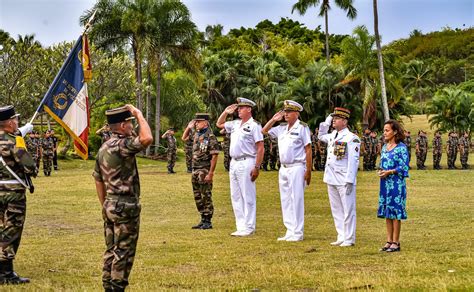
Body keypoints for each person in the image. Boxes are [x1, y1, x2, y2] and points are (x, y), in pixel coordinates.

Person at [92, 104, 153, 291]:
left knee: (111, 249)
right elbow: (147, 138)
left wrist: (105, 204)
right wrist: (139, 114)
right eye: (129, 122)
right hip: (125, 205)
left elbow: (98, 179)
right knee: (124, 251)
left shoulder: (104, 147)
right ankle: (117, 287)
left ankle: (107, 286)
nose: (131, 126)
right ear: (121, 125)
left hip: (110, 204)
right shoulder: (121, 145)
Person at [262, 100, 311, 242]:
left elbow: (308, 149)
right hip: (283, 168)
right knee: (286, 200)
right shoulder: (281, 128)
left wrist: (308, 170)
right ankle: (289, 230)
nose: (286, 114)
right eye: (285, 112)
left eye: (289, 112)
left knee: (296, 199)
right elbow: (264, 131)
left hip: (297, 167)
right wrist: (273, 119)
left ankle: (298, 232)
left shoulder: (302, 128)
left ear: (296, 113)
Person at [0, 105, 37, 284]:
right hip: (13, 193)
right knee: (12, 230)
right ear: (8, 123)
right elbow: (30, 167)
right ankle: (6, 273)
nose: (17, 122)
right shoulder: (15, 141)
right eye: (15, 119)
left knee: (1, 229)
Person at [217, 98, 264, 237]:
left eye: (241, 108)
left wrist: (257, 166)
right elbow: (219, 124)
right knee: (235, 195)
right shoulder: (235, 124)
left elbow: (260, 147)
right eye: (238, 108)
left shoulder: (254, 125)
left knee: (247, 195)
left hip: (247, 160)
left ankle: (249, 226)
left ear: (249, 109)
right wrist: (226, 112)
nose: (238, 110)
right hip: (234, 162)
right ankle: (241, 225)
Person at [318, 107, 360, 247]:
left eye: (336, 118)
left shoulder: (351, 138)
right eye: (333, 118)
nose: (334, 120)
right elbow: (320, 135)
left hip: (343, 179)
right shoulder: (332, 135)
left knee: (348, 209)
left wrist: (350, 180)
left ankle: (349, 238)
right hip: (331, 177)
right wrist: (328, 119)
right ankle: (341, 235)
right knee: (336, 208)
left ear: (344, 121)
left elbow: (353, 161)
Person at [182, 113, 220, 230]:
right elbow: (184, 138)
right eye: (196, 122)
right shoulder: (196, 134)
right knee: (197, 195)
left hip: (204, 169)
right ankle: (202, 218)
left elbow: (214, 156)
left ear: (206, 123)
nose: (196, 123)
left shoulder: (211, 137)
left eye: (199, 121)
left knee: (206, 195)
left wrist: (211, 173)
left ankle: (208, 220)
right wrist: (189, 127)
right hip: (195, 169)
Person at [377, 120, 409, 253]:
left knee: (395, 212)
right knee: (387, 211)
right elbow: (383, 163)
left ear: (395, 132)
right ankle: (389, 240)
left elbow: (404, 166)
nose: (384, 133)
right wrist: (381, 171)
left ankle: (396, 242)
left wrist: (390, 172)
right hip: (385, 184)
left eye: (387, 130)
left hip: (396, 184)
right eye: (384, 130)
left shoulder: (401, 147)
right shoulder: (384, 147)